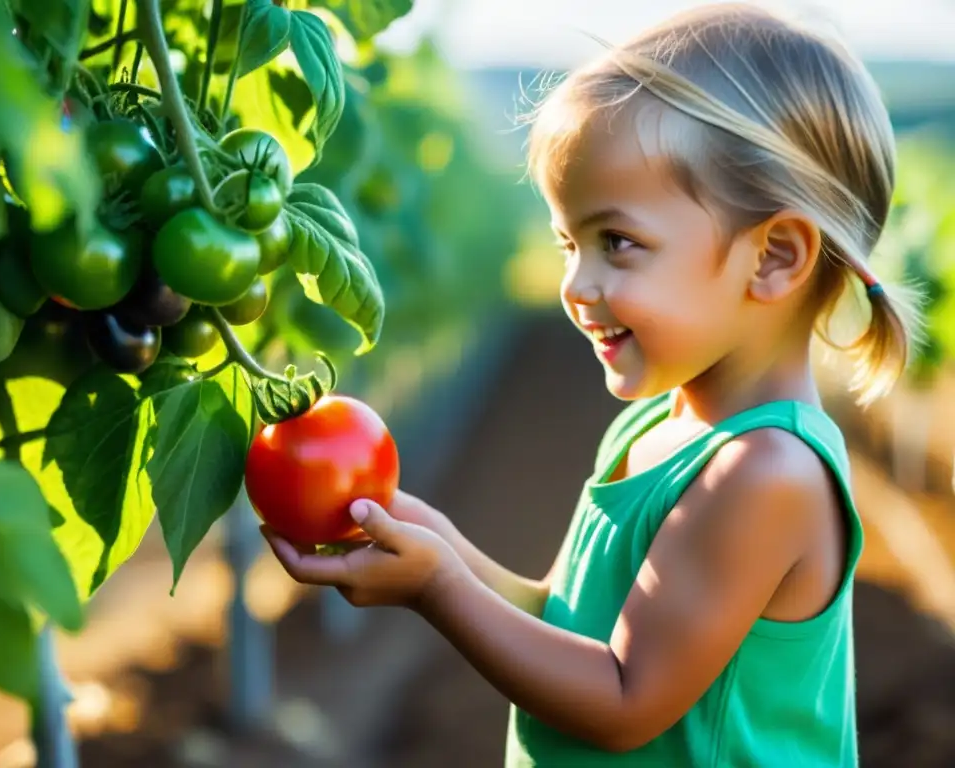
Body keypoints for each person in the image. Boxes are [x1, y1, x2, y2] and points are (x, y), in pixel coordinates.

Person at [262, 3, 921, 765]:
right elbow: (569, 623)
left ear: (773, 257)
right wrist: (438, 545)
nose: (575, 283)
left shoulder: (766, 474)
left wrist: (437, 589)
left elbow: (621, 699)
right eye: (568, 243)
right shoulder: (654, 428)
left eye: (618, 242)